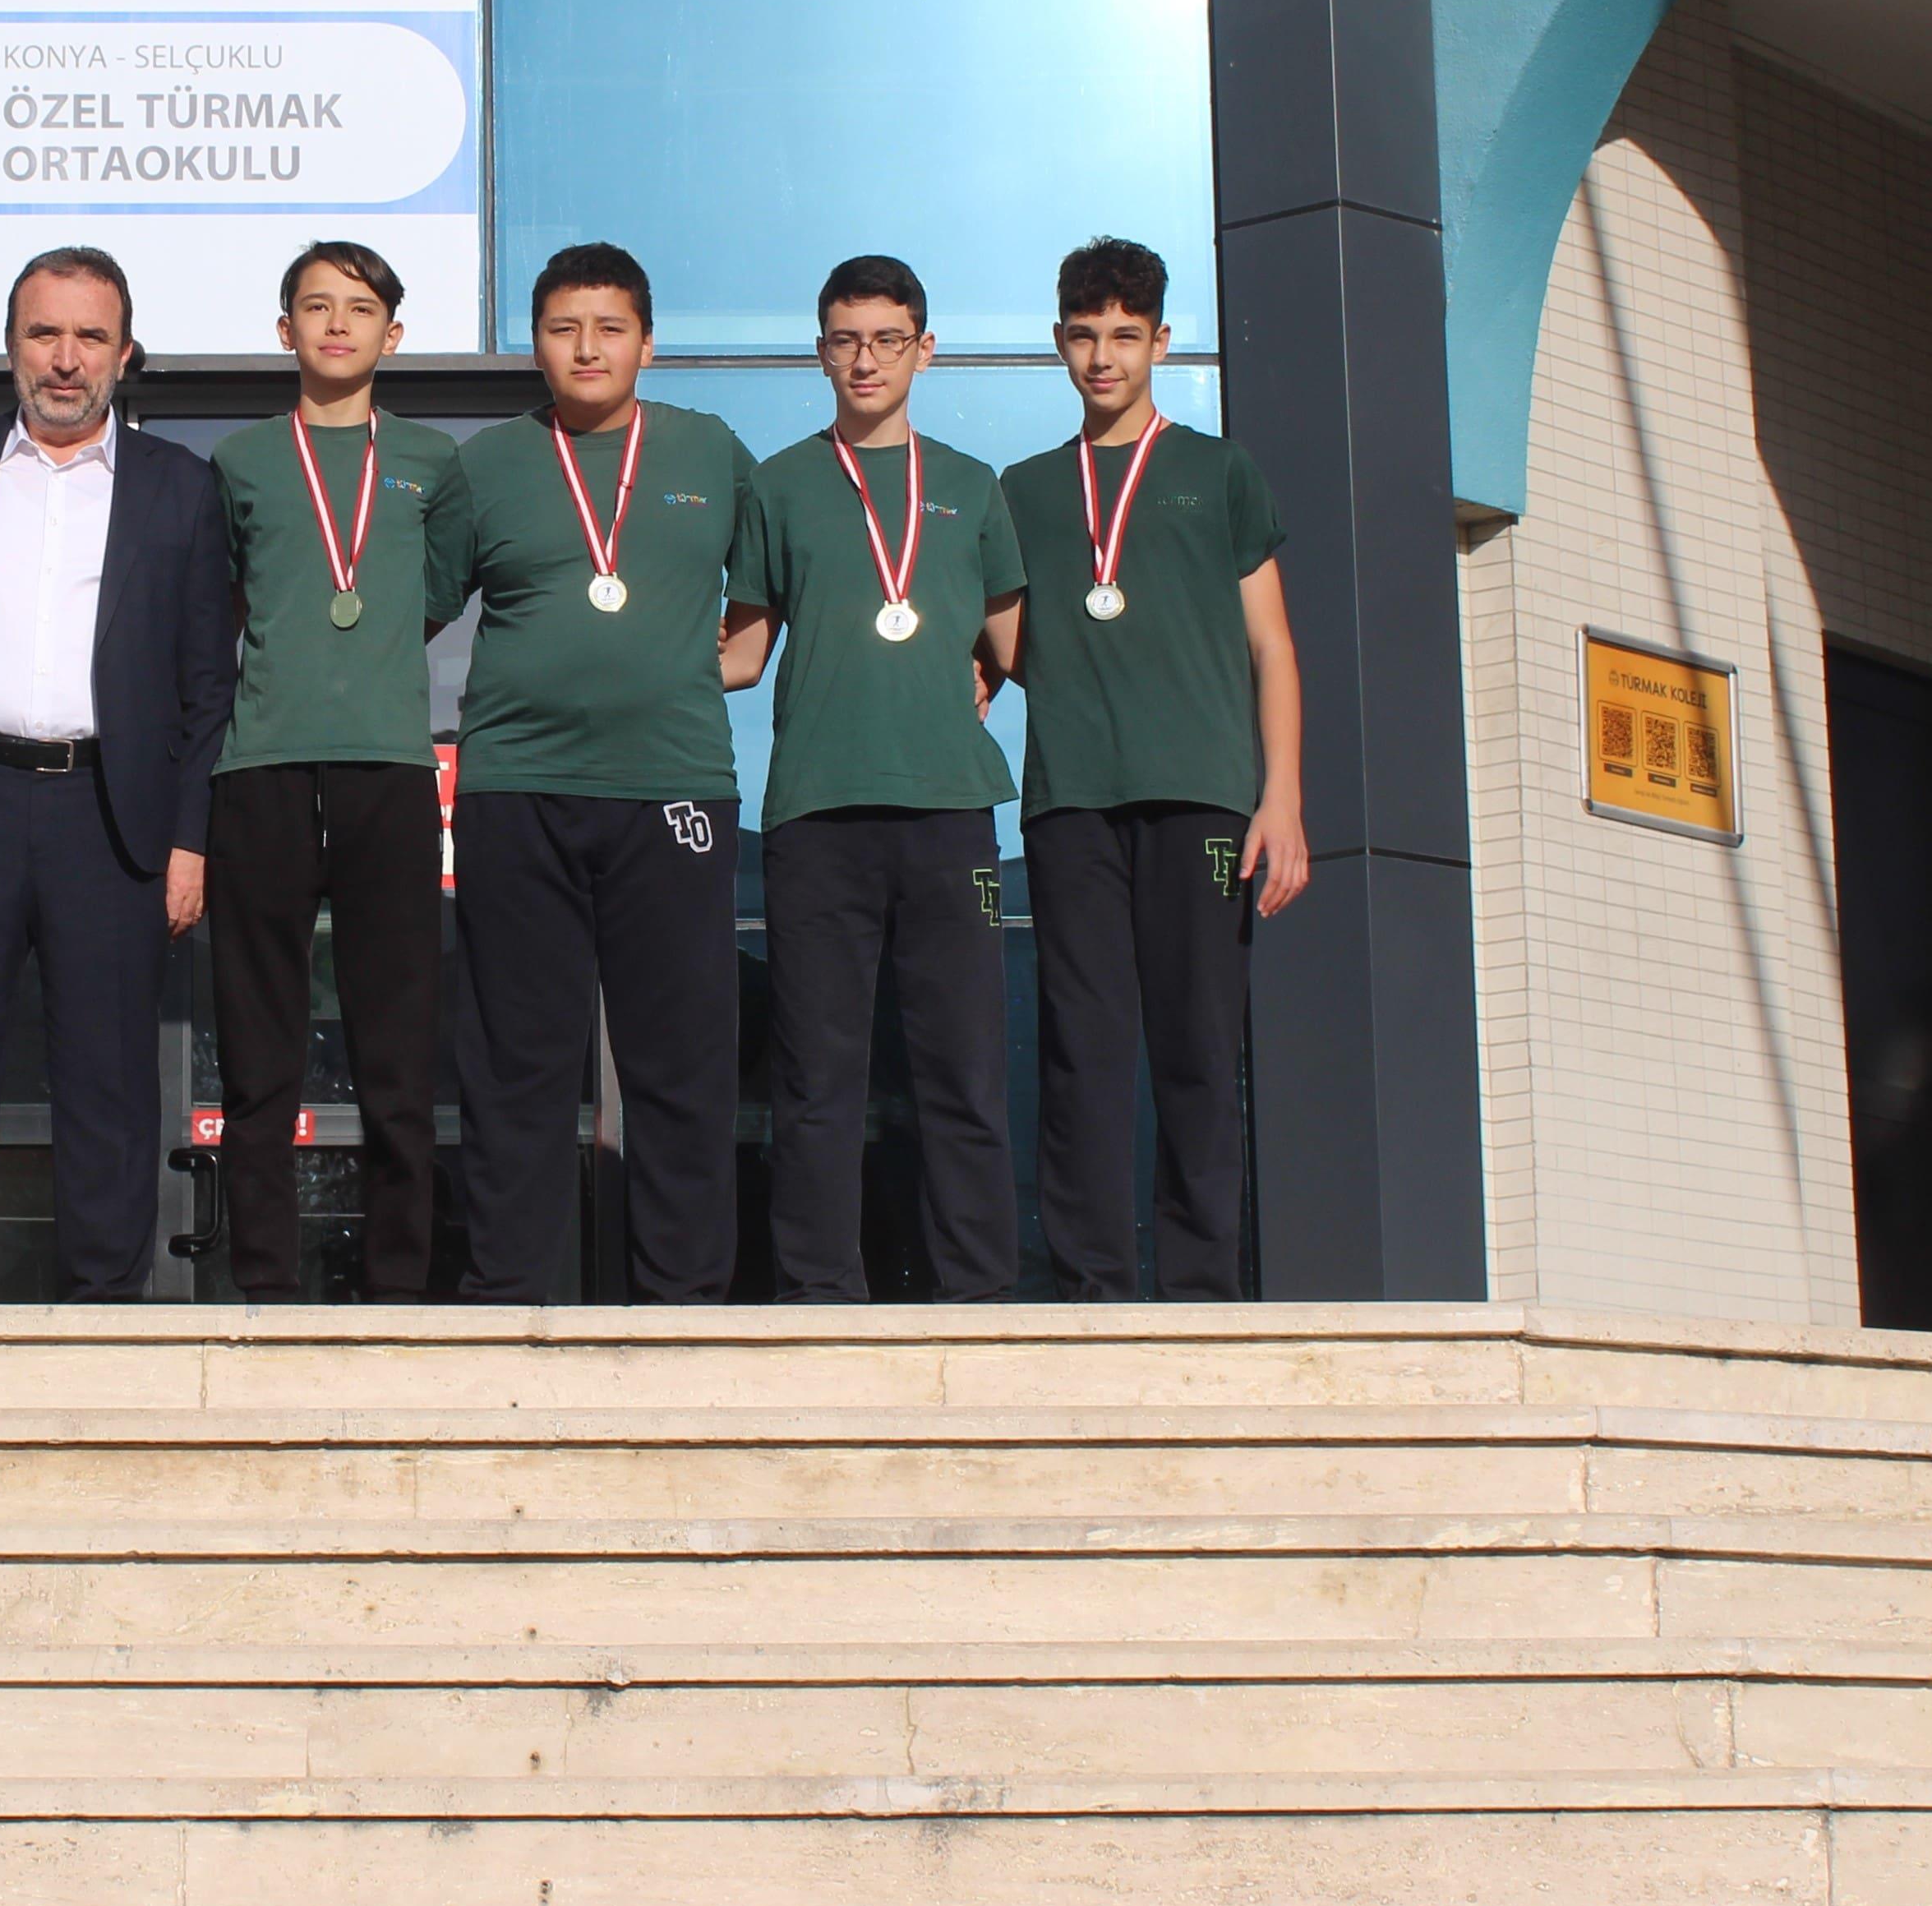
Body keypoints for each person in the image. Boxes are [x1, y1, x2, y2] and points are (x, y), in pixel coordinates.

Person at [0, 247, 237, 1301]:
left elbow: (208, 685)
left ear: (125, 354)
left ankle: (103, 1319)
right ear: (10, 348)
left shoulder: (181, 487)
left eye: (90, 337)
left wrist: (190, 839)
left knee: (108, 1081)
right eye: (45, 333)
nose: (67, 359)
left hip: (110, 815)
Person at [427, 242, 771, 1304]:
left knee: (681, 1063)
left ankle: (685, 1305)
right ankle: (508, 1297)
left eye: (610, 327)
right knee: (517, 1062)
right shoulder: (487, 465)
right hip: (514, 791)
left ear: (647, 344)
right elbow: (414, 610)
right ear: (536, 343)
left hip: (672, 788)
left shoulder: (712, 451)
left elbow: (767, 603)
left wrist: (685, 670)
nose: (587, 347)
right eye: (564, 328)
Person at [997, 238, 1309, 1300]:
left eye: (1125, 336)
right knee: (1081, 1051)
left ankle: (1202, 1292)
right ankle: (1090, 1288)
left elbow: (1272, 646)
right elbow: (1008, 641)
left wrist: (1282, 799)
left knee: (1197, 1049)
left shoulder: (1220, 472)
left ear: (1161, 343)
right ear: (1058, 342)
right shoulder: (1023, 490)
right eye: (1085, 336)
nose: (1104, 357)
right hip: (1072, 801)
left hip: (1204, 798)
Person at [750, 254, 1028, 1304]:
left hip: (950, 812)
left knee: (964, 1072)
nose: (865, 360)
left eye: (886, 340)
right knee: (817, 1080)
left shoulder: (970, 486)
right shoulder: (778, 484)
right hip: (817, 813)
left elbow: (1020, 643)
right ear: (821, 353)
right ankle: (819, 1299)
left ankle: (979, 1299)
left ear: (925, 349)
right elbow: (743, 649)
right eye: (845, 340)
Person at [203, 242, 469, 1302]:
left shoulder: (433, 462)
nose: (337, 325)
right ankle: (265, 1287)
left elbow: (436, 595)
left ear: (392, 335)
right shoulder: (240, 461)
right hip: (262, 768)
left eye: (360, 309)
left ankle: (401, 1288)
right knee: (258, 1059)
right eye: (316, 307)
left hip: (390, 771)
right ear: (286, 331)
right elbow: (233, 600)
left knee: (397, 1057)